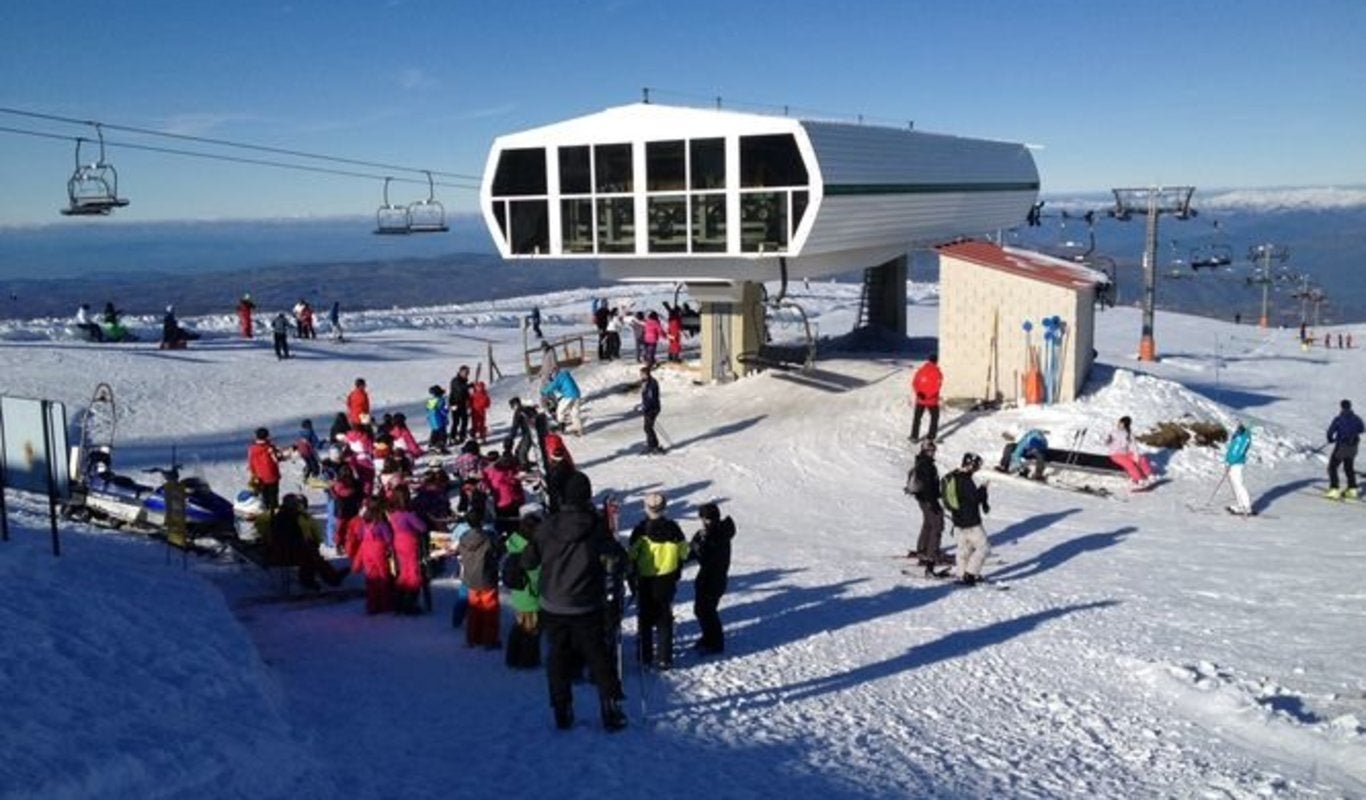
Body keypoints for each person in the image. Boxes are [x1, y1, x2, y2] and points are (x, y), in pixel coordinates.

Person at [520, 471, 628, 732]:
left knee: (557, 656)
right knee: (598, 654)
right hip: (587, 602)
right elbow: (617, 557)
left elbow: (529, 561)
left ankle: (561, 708)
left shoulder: (548, 525)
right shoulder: (595, 526)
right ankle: (610, 706)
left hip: (553, 602)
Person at [628, 493, 689, 670]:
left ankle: (645, 655)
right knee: (664, 616)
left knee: (645, 616)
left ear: (646, 508)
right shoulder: (674, 530)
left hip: (646, 578)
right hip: (667, 578)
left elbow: (631, 554)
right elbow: (684, 552)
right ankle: (664, 657)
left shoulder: (640, 530)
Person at [687, 502, 735, 655]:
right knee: (703, 610)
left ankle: (715, 642)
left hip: (712, 578)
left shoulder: (716, 535)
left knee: (706, 610)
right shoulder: (715, 532)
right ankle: (709, 637)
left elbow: (704, 554)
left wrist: (698, 545)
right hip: (711, 577)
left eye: (704, 519)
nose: (703, 522)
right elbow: (693, 553)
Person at [270, 494, 345, 590]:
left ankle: (329, 578)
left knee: (311, 554)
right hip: (285, 552)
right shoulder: (284, 518)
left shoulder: (292, 515)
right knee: (310, 556)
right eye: (295, 504)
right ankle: (317, 580)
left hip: (294, 548)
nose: (297, 506)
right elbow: (285, 538)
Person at [941, 452, 991, 586]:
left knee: (964, 549)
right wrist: (983, 489)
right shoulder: (965, 480)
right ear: (970, 464)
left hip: (958, 520)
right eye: (976, 466)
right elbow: (973, 500)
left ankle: (961, 573)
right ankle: (970, 574)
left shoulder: (955, 476)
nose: (976, 469)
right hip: (971, 521)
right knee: (984, 547)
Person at [455, 504, 501, 648]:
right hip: (487, 577)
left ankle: (472, 637)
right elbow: (498, 551)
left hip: (470, 578)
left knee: (474, 609)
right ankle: (489, 639)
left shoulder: (463, 538)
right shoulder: (488, 538)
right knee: (490, 610)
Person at [502, 510, 543, 669]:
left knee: (519, 627)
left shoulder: (514, 543)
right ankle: (528, 660)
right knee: (531, 631)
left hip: (518, 595)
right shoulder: (530, 551)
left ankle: (512, 657)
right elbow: (536, 576)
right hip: (530, 597)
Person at [905, 439, 948, 577]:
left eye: (933, 450)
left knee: (928, 524)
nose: (932, 453)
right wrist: (934, 502)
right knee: (937, 526)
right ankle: (931, 556)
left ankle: (923, 550)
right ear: (924, 450)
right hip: (928, 500)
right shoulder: (926, 465)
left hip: (924, 499)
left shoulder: (921, 462)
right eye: (930, 450)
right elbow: (928, 486)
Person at [387, 485, 429, 615]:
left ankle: (399, 600)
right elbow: (422, 527)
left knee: (404, 570)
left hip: (397, 541)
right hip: (409, 542)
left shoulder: (392, 514)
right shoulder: (408, 515)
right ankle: (410, 602)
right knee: (413, 570)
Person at [352, 497, 396, 614]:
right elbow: (388, 538)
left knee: (371, 578)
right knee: (383, 577)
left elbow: (359, 536)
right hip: (379, 550)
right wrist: (391, 549)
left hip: (366, 550)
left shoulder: (363, 523)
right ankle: (385, 603)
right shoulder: (381, 524)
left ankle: (372, 605)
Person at [1325, 399, 1363, 500]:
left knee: (1332, 467)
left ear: (1341, 407)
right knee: (1348, 467)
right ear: (1350, 407)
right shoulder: (1356, 418)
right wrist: (1352, 432)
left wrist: (1330, 438)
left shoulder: (1338, 419)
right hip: (1353, 447)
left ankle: (1334, 489)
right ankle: (1352, 489)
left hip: (1341, 447)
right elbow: (1362, 429)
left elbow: (1330, 431)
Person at [1105, 417, 1156, 485]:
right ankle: (1138, 479)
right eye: (1119, 422)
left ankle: (1150, 475)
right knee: (1130, 464)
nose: (1118, 424)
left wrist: (1136, 456)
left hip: (1126, 453)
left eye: (1121, 423)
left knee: (1142, 459)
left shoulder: (1129, 434)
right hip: (1116, 454)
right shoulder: (1113, 432)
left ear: (1125, 425)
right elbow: (1107, 442)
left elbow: (1133, 446)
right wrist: (1108, 440)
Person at [540, 366, 584, 437]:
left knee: (560, 411)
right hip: (576, 394)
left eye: (552, 375)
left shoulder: (559, 377)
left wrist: (544, 391)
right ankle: (578, 430)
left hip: (569, 396)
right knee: (574, 412)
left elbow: (552, 386)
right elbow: (560, 386)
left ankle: (561, 428)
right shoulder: (565, 375)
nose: (552, 377)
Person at [247, 427, 283, 511]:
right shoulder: (269, 448)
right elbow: (276, 459)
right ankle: (274, 509)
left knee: (265, 493)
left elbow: (250, 461)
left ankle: (267, 508)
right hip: (272, 475)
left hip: (260, 476)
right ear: (267, 436)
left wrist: (253, 473)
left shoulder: (252, 448)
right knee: (273, 493)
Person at [910, 354, 943, 443]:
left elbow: (914, 383)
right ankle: (931, 437)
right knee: (934, 417)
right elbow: (937, 387)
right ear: (936, 361)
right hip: (932, 401)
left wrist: (919, 393)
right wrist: (928, 396)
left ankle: (914, 437)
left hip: (920, 399)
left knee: (917, 418)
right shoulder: (938, 373)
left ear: (928, 360)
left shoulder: (920, 370)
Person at [1224, 422, 1254, 516]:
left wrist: (1232, 461)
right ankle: (1240, 505)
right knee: (1234, 484)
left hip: (1237, 464)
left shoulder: (1246, 437)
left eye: (1241, 425)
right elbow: (1232, 448)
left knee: (1239, 484)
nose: (1238, 426)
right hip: (1231, 463)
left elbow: (1240, 451)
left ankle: (1246, 507)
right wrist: (1227, 461)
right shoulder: (1238, 434)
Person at [640, 365, 663, 454]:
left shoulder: (652, 383)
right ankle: (650, 445)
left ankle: (655, 446)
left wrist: (648, 408)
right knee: (647, 427)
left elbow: (651, 398)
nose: (641, 376)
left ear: (647, 374)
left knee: (648, 427)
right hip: (647, 408)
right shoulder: (644, 382)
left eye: (642, 374)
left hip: (653, 408)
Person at [448, 365, 472, 443]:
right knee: (456, 421)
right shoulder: (455, 380)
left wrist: (469, 399)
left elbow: (465, 392)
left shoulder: (464, 381)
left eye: (468, 373)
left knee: (465, 420)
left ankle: (462, 435)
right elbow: (460, 389)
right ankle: (452, 437)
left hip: (463, 404)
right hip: (455, 403)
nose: (467, 374)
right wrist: (468, 386)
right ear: (461, 372)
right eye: (465, 373)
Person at [425, 385, 449, 452]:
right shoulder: (441, 400)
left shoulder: (430, 401)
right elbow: (443, 411)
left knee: (434, 432)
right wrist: (447, 411)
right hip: (440, 420)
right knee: (442, 434)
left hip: (432, 421)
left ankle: (432, 444)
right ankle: (441, 446)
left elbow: (427, 410)